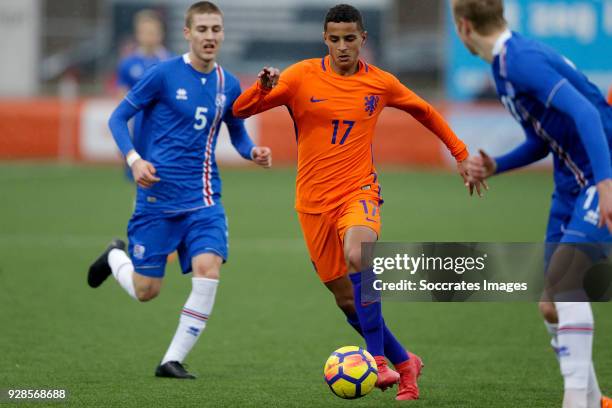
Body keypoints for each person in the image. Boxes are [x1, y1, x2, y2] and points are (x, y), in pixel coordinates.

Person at [233, 4, 481, 401]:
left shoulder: (380, 83)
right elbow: (240, 110)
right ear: (325, 40)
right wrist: (262, 87)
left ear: (362, 39)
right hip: (312, 203)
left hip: (358, 192)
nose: (343, 46)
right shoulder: (299, 77)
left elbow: (425, 111)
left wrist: (461, 153)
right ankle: (406, 363)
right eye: (335, 39)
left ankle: (379, 362)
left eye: (350, 38)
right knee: (346, 299)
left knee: (359, 254)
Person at [88, 1, 272, 379]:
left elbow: (236, 134)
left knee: (208, 270)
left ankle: (170, 360)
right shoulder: (163, 74)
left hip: (204, 198)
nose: (210, 36)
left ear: (223, 34)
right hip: (157, 198)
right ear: (187, 33)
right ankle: (113, 258)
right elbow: (118, 117)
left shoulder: (228, 83)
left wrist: (251, 151)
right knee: (146, 290)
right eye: (202, 29)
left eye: (215, 29)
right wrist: (134, 159)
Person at [451, 0, 612, 407]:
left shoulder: (520, 59)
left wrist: (607, 185)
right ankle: (594, 400)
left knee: (566, 283)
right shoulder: (503, 66)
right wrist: (496, 166)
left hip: (600, 171)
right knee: (551, 304)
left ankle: (576, 402)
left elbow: (588, 116)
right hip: (571, 180)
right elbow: (543, 138)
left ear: (463, 26)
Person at [116, 9, 172, 179]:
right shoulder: (128, 64)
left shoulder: (171, 62)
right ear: (137, 34)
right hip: (139, 131)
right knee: (141, 180)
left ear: (161, 34)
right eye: (145, 32)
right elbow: (121, 105)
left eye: (153, 32)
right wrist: (123, 141)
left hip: (167, 132)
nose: (149, 36)